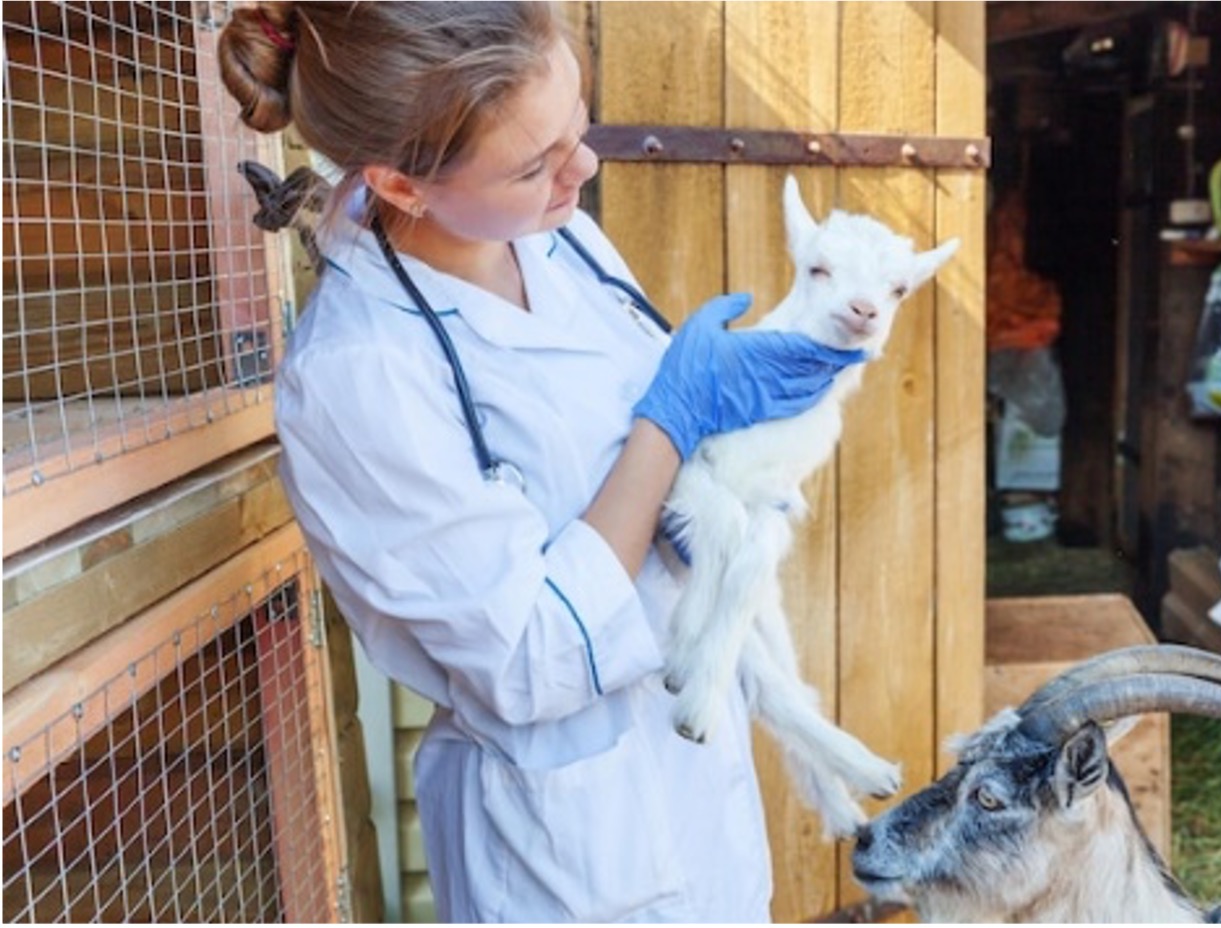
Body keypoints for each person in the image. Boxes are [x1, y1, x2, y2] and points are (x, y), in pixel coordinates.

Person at [217, 3, 865, 922]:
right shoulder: (359, 380)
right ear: (400, 186)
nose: (584, 167)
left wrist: (743, 413)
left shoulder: (552, 239)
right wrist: (672, 420)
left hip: (693, 795)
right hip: (561, 858)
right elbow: (528, 657)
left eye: (576, 124)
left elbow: (631, 451)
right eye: (535, 163)